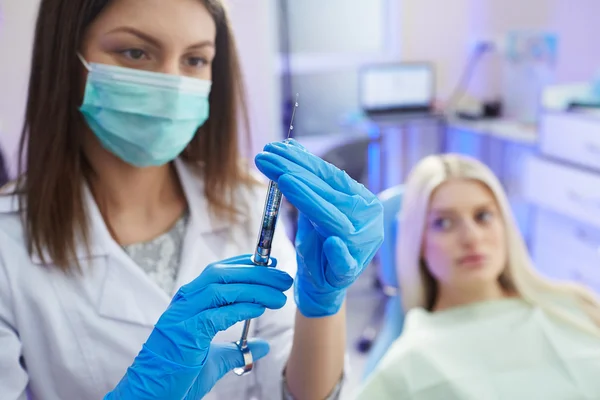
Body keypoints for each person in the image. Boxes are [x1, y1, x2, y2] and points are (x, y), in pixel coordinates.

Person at [0, 1, 384, 399]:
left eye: (196, 59)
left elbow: (296, 389)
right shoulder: (6, 242)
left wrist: (322, 306)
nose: (172, 83)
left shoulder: (246, 199)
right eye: (135, 52)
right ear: (65, 57)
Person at [356, 154, 600, 399]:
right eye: (444, 223)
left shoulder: (576, 306)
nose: (472, 238)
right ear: (417, 240)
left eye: (483, 216)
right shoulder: (409, 362)